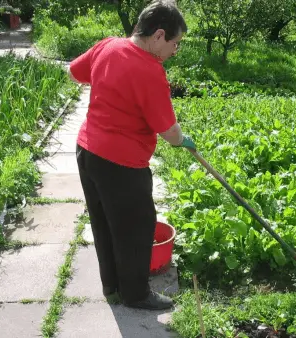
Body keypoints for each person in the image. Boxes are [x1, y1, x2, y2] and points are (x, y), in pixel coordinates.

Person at [67, 0, 195, 310]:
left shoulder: (109, 45)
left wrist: (110, 85)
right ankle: (136, 295)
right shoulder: (150, 71)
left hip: (87, 152)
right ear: (159, 35)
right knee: (137, 227)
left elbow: (74, 72)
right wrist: (183, 140)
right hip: (121, 165)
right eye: (175, 43)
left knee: (104, 222)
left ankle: (112, 286)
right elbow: (168, 131)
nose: (175, 51)